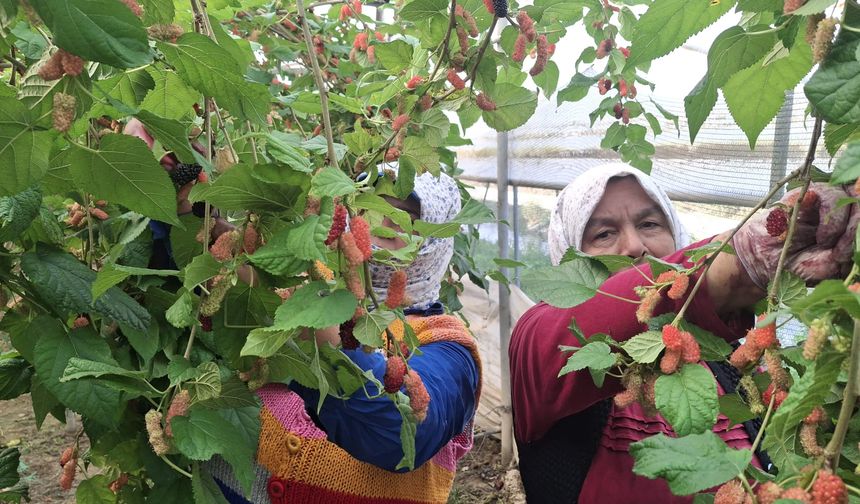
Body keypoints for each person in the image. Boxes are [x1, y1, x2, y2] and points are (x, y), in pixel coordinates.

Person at [509, 163, 857, 503]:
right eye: (603, 233)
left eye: (649, 223)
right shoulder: (543, 347)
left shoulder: (727, 360)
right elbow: (597, 320)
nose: (633, 246)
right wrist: (739, 261)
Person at [206, 171, 482, 503]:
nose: (383, 222)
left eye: (404, 217)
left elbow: (402, 435)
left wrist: (326, 334)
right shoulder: (300, 281)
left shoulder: (448, 346)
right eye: (371, 206)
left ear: (435, 239)